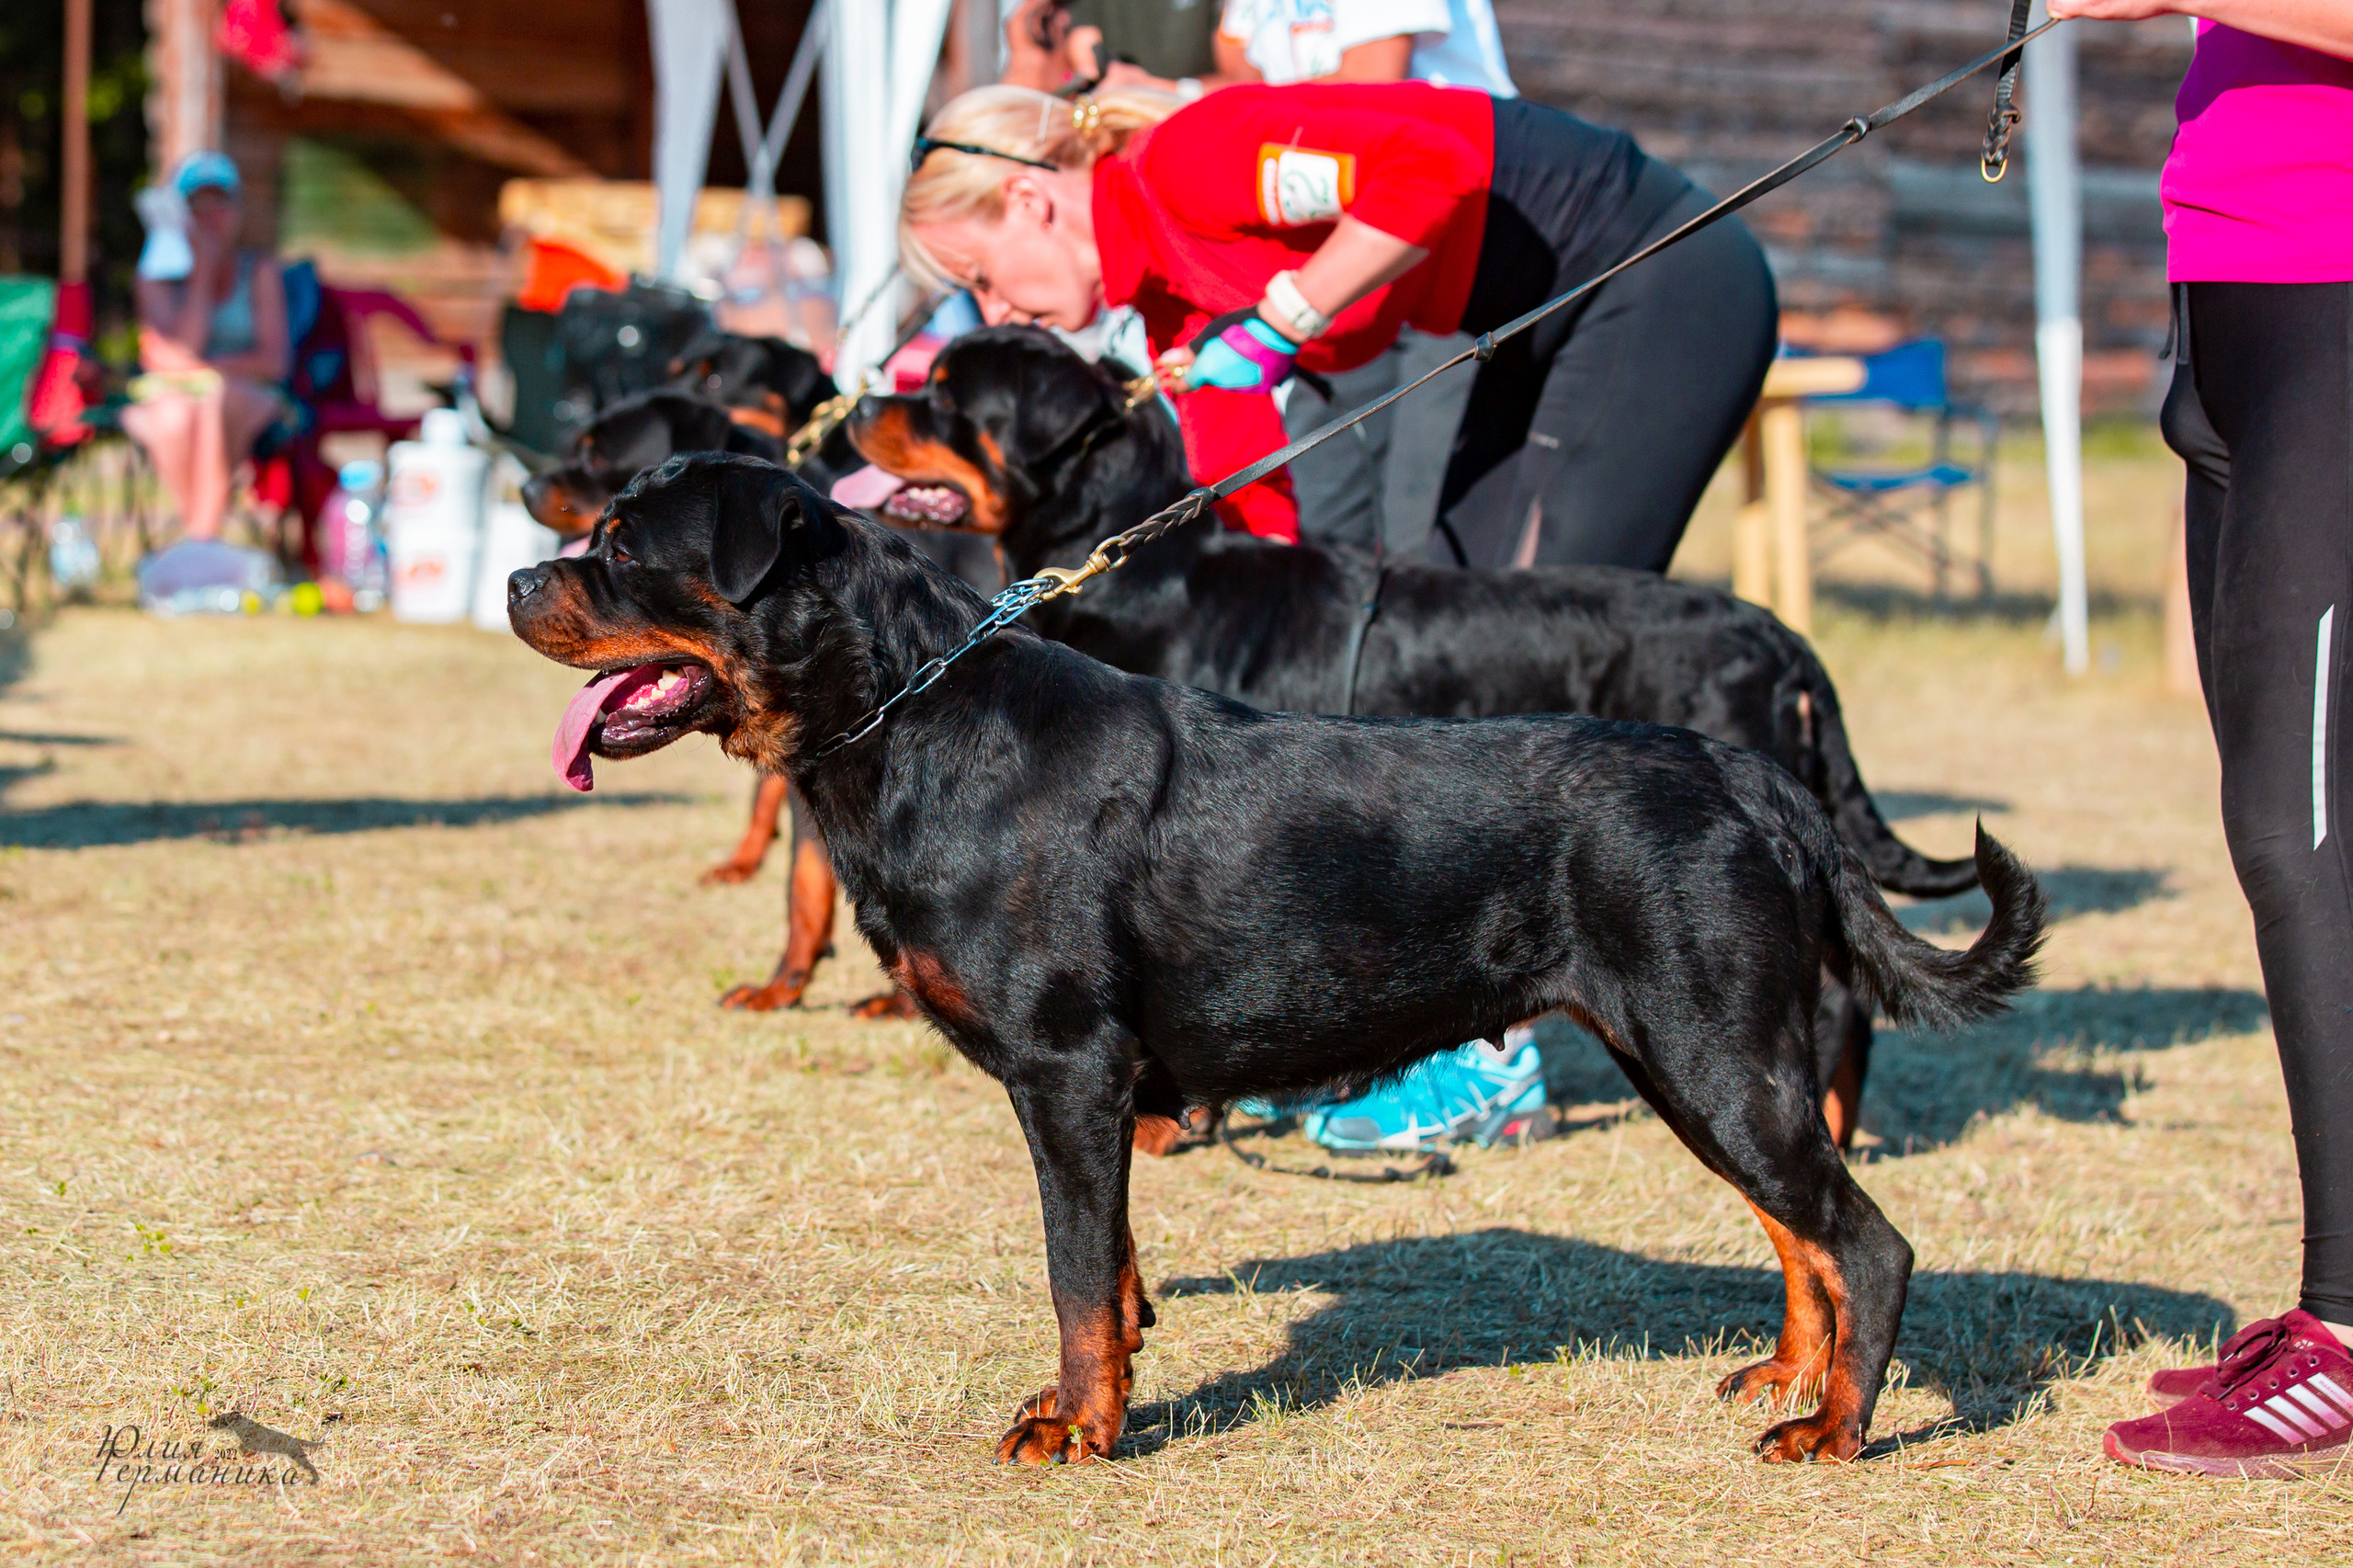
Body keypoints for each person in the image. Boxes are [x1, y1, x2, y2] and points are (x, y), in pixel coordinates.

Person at [2046, 0, 2353, 1479]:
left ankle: (2349, 1328)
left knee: (2303, 831)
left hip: (2335, 301)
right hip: (2232, 294)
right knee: (2275, 812)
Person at [897, 76, 1776, 568]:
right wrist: (1259, 602)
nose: (993, 311)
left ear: (1026, 198)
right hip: (1532, 324)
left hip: (1659, 266)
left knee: (1565, 626)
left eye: (979, 275)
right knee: (1460, 618)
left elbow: (1435, 169)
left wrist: (1287, 319)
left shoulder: (1188, 162)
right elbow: (1242, 481)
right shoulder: (1164, 297)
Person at [119, 152, 291, 543]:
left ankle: (198, 542)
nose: (210, 215)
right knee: (174, 416)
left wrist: (202, 371)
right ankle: (203, 541)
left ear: (238, 211)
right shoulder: (154, 276)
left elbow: (274, 361)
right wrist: (201, 276)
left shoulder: (260, 272)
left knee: (214, 401)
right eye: (198, 205)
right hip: (178, 400)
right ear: (178, 212)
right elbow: (160, 356)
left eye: (220, 203)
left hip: (245, 398)